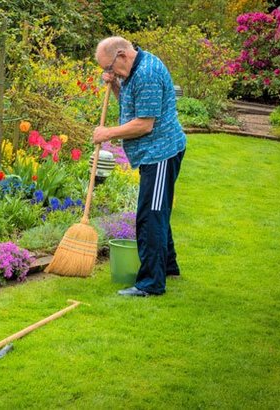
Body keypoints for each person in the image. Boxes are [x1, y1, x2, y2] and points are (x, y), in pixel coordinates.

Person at [92, 36, 186, 297]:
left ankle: (151, 284)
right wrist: (114, 87)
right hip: (153, 153)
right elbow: (132, 106)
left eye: (109, 68)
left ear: (121, 55)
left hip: (161, 154)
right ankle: (168, 266)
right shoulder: (133, 71)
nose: (108, 73)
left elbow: (144, 124)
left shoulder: (147, 73)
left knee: (150, 216)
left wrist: (107, 133)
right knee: (158, 211)